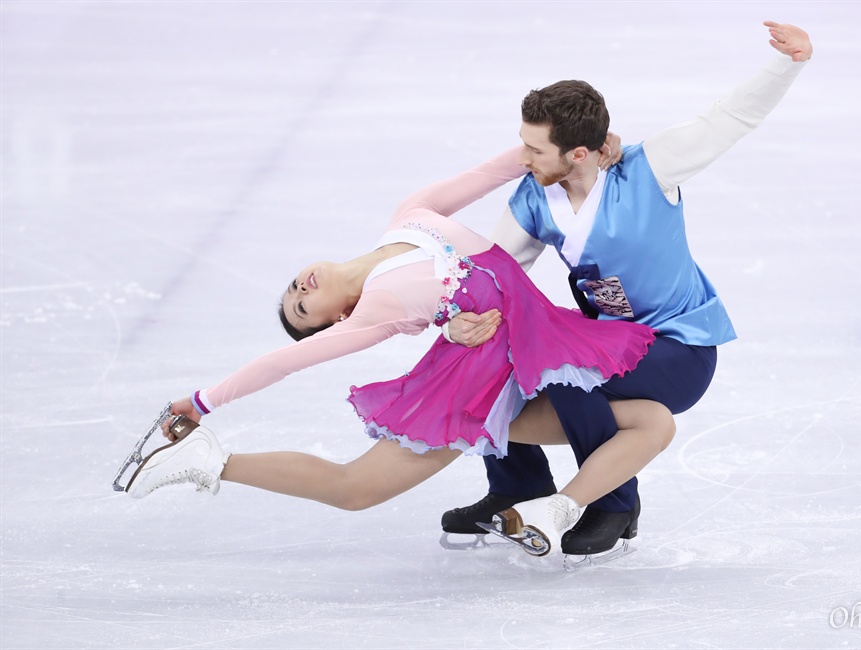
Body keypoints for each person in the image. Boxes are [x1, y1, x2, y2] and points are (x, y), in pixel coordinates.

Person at [124, 143, 676, 556]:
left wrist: (569, 146)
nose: (300, 290)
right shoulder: (371, 312)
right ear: (336, 319)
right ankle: (209, 461)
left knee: (651, 420)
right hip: (479, 382)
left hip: (527, 350)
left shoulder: (408, 218)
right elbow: (283, 361)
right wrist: (202, 402)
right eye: (301, 310)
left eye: (292, 287)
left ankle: (563, 503)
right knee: (354, 488)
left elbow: (492, 172)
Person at [439, 21, 814, 556]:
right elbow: (494, 274)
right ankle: (516, 485)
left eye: (534, 149)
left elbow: (728, 118)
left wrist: (788, 62)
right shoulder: (532, 198)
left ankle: (614, 504)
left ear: (581, 153)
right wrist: (460, 319)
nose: (522, 159)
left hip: (677, 350)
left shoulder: (648, 168)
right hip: (605, 348)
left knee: (564, 364)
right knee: (490, 353)